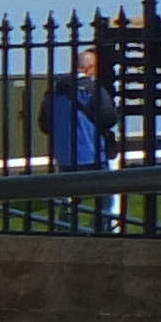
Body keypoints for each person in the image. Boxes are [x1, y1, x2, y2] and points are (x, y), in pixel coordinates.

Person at [45, 45, 117, 227]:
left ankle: (65, 229)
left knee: (70, 198)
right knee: (105, 198)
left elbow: (44, 123)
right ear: (90, 68)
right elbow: (109, 118)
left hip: (65, 155)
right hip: (92, 153)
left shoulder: (54, 91)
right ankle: (100, 231)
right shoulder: (93, 90)